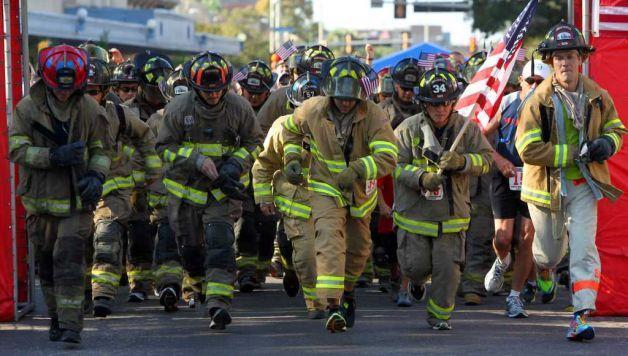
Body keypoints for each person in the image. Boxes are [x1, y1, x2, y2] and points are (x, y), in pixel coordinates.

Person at [516, 21, 626, 341]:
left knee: (583, 250)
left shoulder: (598, 96)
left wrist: (607, 144)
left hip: (583, 187)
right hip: (545, 189)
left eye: (571, 56)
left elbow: (617, 130)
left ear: (582, 59)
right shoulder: (538, 99)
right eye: (559, 57)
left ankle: (580, 315)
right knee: (549, 254)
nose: (565, 62)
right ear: (551, 61)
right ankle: (546, 270)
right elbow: (526, 148)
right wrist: (572, 152)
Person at [282, 56, 397, 333]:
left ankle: (347, 292)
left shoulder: (375, 115)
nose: (345, 103)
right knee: (329, 239)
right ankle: (333, 306)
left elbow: (388, 157)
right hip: (325, 187)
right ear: (329, 91)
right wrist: (292, 158)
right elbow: (290, 130)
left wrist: (358, 169)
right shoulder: (311, 109)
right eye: (340, 97)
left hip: (360, 192)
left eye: (351, 99)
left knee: (359, 251)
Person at [9, 45, 112, 344]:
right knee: (47, 267)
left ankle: (71, 326)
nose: (64, 94)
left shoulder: (91, 109)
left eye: (71, 88)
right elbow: (16, 149)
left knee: (69, 260)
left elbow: (101, 150)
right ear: (46, 81)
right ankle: (56, 315)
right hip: (39, 203)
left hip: (76, 202)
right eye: (58, 88)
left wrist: (95, 175)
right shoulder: (27, 108)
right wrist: (52, 156)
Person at [156, 51, 263, 330]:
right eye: (207, 90)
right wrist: (195, 159)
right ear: (194, 87)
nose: (214, 95)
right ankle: (199, 285)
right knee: (191, 252)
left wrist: (235, 164)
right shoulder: (179, 109)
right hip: (186, 193)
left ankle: (218, 304)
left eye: (219, 90)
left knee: (220, 242)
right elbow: (163, 148)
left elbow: (255, 141)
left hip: (220, 194)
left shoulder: (239, 108)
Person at [393, 68, 492, 330]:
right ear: (424, 104)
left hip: (451, 218)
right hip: (415, 218)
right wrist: (420, 178)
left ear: (454, 102)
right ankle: (415, 283)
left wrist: (463, 162)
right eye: (435, 104)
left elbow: (487, 159)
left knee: (448, 272)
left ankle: (439, 317)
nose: (441, 109)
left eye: (446, 103)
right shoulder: (408, 129)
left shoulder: (466, 129)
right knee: (416, 268)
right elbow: (393, 164)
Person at [84, 58, 161, 318]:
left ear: (105, 92)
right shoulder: (62, 115)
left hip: (112, 193)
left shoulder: (117, 114)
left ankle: (102, 296)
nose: (87, 97)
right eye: (82, 91)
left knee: (107, 241)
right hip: (76, 193)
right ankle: (84, 292)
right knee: (78, 245)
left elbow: (145, 136)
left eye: (92, 91)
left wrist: (151, 169)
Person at [252, 72, 326, 319]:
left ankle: (329, 300)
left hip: (328, 204)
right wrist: (264, 198)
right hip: (295, 206)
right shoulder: (281, 127)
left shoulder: (336, 128)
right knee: (304, 257)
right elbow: (264, 164)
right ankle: (315, 303)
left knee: (329, 256)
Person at [483, 60, 551, 318]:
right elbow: (481, 134)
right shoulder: (507, 102)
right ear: (520, 81)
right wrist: (499, 160)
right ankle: (502, 262)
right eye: (529, 81)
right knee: (502, 238)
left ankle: (515, 297)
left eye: (539, 82)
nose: (533, 86)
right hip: (504, 176)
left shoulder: (552, 107)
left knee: (526, 238)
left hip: (535, 177)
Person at [124, 51, 174, 303]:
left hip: (166, 184)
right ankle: (139, 283)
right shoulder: (126, 112)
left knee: (168, 232)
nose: (159, 93)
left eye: (162, 88)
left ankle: (168, 283)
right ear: (142, 86)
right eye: (154, 89)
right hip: (136, 185)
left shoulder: (175, 111)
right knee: (139, 234)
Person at [233, 60, 279, 292]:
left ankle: (260, 268)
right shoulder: (233, 110)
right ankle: (246, 272)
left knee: (269, 225)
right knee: (245, 224)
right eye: (249, 92)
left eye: (259, 93)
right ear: (241, 88)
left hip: (268, 175)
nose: (253, 97)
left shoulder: (275, 110)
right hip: (241, 175)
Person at [148, 66, 191, 311]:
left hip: (197, 195)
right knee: (167, 239)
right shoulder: (155, 121)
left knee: (195, 243)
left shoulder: (201, 118)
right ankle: (169, 285)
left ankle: (193, 287)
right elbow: (148, 158)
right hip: (165, 196)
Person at [257, 44, 334, 134]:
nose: (305, 77)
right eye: (298, 72)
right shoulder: (280, 97)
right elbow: (260, 130)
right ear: (291, 75)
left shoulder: (333, 98)